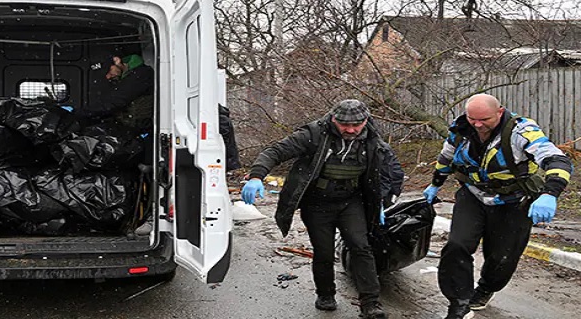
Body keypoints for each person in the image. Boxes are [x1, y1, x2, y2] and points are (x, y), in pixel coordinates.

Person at [242, 99, 403, 319]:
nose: (351, 130)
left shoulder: (372, 139)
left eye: (357, 125)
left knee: (361, 247)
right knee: (324, 251)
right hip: (317, 202)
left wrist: (385, 201)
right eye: (345, 125)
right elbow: (276, 151)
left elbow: (390, 169)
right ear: (334, 119)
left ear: (365, 121)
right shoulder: (314, 134)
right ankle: (326, 294)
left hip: (351, 201)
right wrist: (256, 176)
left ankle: (371, 302)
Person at [422, 94, 573, 319]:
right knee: (457, 246)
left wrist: (550, 193)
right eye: (473, 119)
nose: (478, 125)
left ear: (500, 112)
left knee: (502, 258)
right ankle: (459, 303)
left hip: (513, 201)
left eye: (484, 119)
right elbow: (446, 157)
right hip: (473, 195)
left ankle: (485, 288)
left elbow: (557, 160)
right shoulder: (461, 129)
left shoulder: (521, 132)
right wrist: (435, 184)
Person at [75, 54, 154, 132]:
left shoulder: (140, 74)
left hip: (143, 126)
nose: (109, 77)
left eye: (108, 71)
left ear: (117, 61)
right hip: (132, 125)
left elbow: (114, 102)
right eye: (105, 75)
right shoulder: (122, 78)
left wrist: (78, 113)